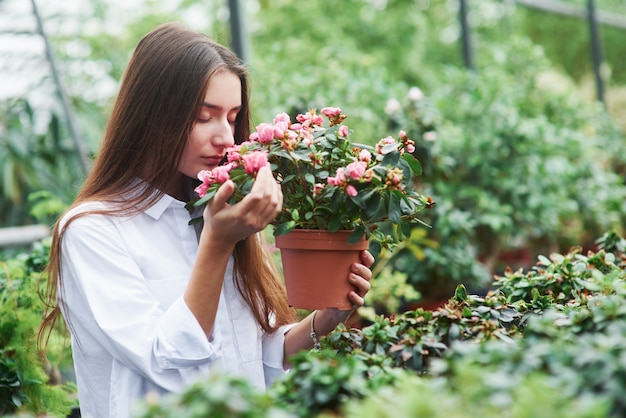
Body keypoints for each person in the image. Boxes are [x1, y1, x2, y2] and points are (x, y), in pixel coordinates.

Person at [38, 22, 374, 418]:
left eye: (232, 118)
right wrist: (217, 244)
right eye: (203, 117)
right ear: (151, 117)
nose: (227, 138)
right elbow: (164, 361)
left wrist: (327, 317)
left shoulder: (219, 213)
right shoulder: (93, 230)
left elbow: (257, 356)